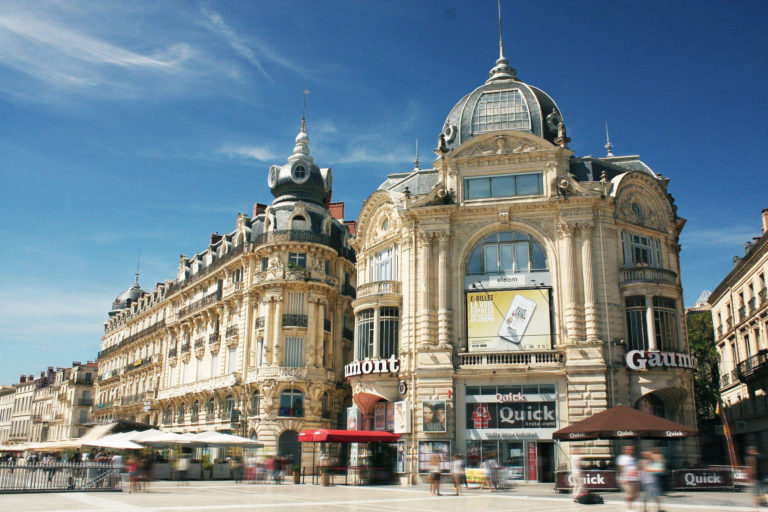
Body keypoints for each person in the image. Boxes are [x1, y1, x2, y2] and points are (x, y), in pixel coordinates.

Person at [617, 445, 639, 512]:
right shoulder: (622, 458)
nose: (630, 450)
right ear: (625, 450)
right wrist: (623, 478)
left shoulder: (634, 458)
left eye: (632, 449)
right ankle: (629, 508)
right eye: (628, 449)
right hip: (626, 479)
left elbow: (635, 468)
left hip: (634, 479)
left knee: (636, 495)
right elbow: (620, 468)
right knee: (629, 494)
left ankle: (627, 503)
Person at [746, 446, 766, 512]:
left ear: (752, 451)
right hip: (765, 476)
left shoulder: (752, 458)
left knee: (756, 494)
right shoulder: (764, 456)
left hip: (757, 478)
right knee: (766, 492)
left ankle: (756, 509)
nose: (749, 453)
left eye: (749, 451)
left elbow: (753, 467)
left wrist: (751, 477)